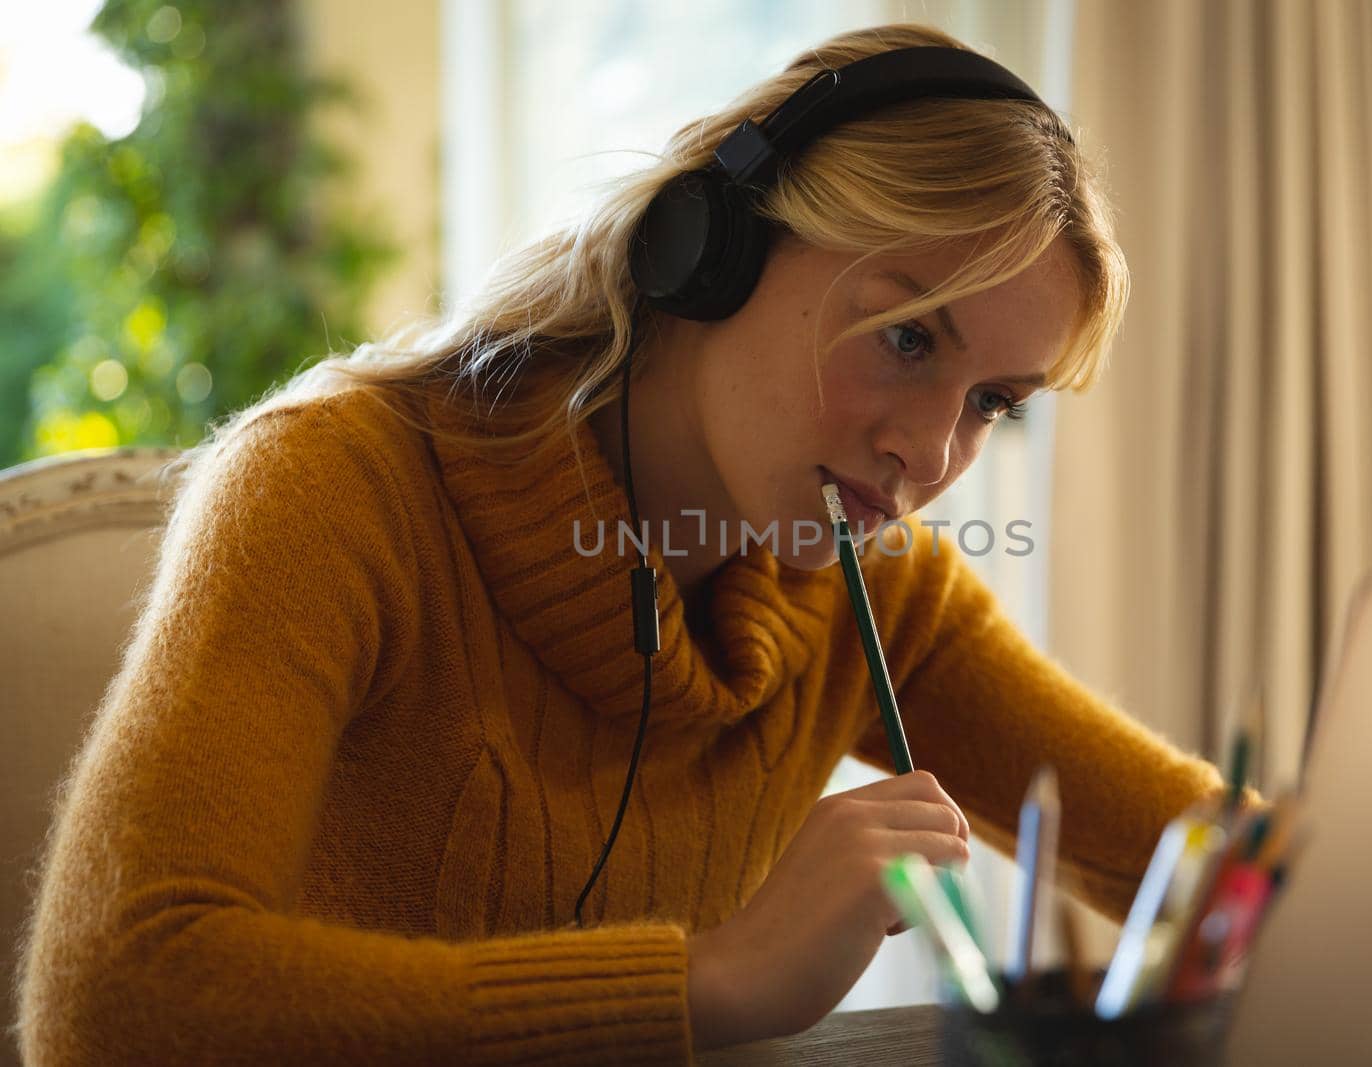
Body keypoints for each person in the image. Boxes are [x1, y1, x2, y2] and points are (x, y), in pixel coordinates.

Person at [15, 23, 1238, 1066]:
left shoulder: (878, 581)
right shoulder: (333, 488)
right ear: (706, 253)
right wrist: (710, 977)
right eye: (909, 339)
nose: (930, 454)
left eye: (993, 402)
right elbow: (116, 996)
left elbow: (1207, 867)